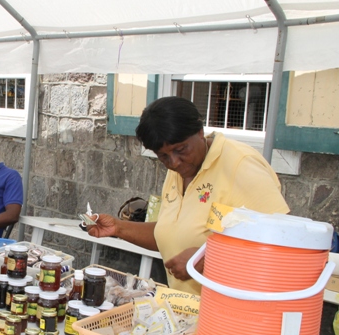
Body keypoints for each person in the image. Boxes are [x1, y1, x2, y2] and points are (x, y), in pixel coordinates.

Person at [88, 96, 289, 295]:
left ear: (200, 132)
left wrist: (208, 258)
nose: (174, 162)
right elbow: (172, 235)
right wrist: (119, 228)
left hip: (236, 312)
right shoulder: (180, 170)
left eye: (181, 149)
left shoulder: (240, 164)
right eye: (163, 156)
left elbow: (283, 242)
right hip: (189, 311)